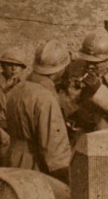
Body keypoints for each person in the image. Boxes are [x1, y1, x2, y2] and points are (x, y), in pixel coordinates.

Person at [6, 39, 71, 183]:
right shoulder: (46, 98)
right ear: (59, 70)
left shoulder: (17, 89)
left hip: (12, 160)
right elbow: (55, 153)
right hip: (36, 167)